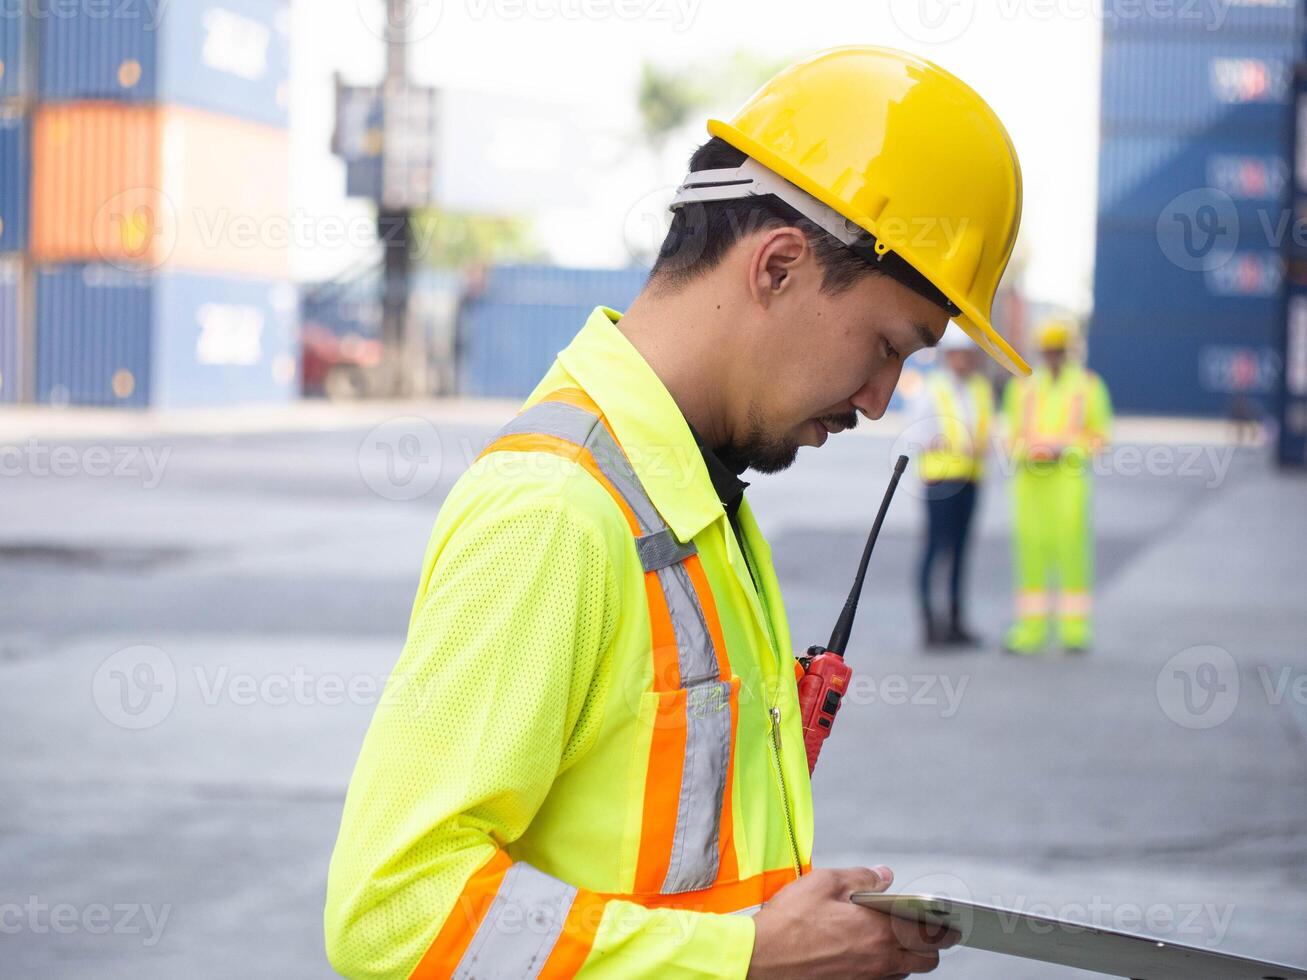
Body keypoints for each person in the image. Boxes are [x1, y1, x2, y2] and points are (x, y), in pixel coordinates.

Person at [325, 46, 1027, 979]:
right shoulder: (556, 514)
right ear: (777, 266)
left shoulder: (697, 505)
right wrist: (741, 956)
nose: (878, 400)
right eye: (886, 345)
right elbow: (392, 912)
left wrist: (796, 933)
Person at [1002, 319, 1113, 655]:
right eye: (1048, 351)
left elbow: (1099, 436)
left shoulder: (1089, 386)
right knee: (1031, 556)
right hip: (1030, 486)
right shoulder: (1021, 389)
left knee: (1072, 555)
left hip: (1068, 484)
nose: (1052, 357)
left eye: (1058, 351)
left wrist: (1065, 450)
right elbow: (1009, 439)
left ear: (1067, 351)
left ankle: (1074, 631)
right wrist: (1032, 451)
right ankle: (1031, 630)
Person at [910, 325, 995, 647]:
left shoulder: (979, 389)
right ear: (949, 356)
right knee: (936, 550)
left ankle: (957, 624)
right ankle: (931, 625)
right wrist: (949, 444)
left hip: (971, 480)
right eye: (959, 354)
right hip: (941, 481)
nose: (965, 361)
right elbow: (917, 434)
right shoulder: (932, 389)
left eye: (969, 355)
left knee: (960, 552)